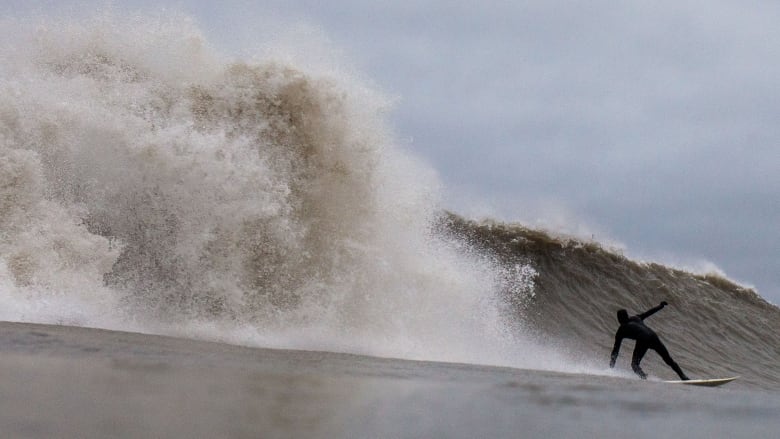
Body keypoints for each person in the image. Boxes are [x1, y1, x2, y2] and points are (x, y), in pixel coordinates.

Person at [609, 301, 689, 380]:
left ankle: (645, 378)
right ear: (627, 316)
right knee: (668, 359)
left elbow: (615, 350)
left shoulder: (621, 330)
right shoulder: (636, 318)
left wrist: (611, 368)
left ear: (619, 319)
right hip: (653, 336)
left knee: (634, 365)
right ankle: (683, 376)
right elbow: (648, 313)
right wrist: (660, 306)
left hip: (643, 339)